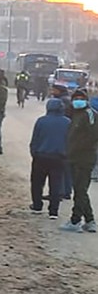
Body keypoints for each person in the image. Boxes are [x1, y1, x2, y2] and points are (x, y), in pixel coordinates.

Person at [60, 89, 98, 233]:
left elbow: (93, 136)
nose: (78, 101)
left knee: (80, 190)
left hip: (85, 158)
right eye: (76, 98)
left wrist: (78, 148)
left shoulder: (90, 114)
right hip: (73, 157)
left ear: (86, 100)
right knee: (79, 189)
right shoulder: (75, 114)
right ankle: (89, 220)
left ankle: (75, 220)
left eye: (81, 98)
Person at [29, 98, 70, 219]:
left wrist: (34, 153)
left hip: (41, 156)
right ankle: (53, 211)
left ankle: (37, 205)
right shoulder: (67, 122)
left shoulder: (41, 121)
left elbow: (35, 139)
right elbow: (70, 141)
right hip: (59, 157)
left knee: (37, 183)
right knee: (56, 184)